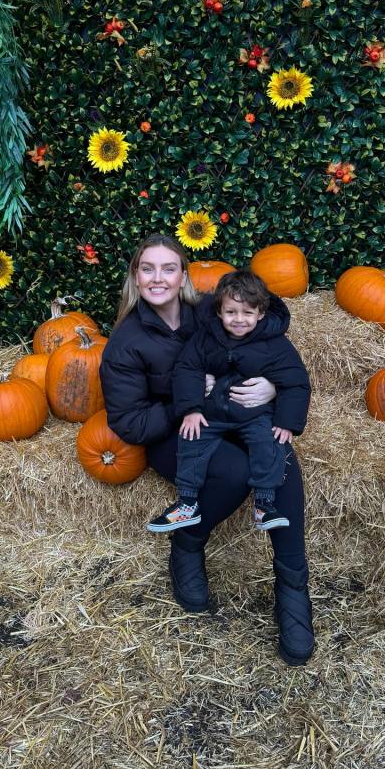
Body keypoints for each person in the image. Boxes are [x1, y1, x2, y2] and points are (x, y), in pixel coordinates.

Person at [99, 234, 314, 666]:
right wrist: (189, 403)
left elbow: (265, 339)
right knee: (234, 474)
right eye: (147, 268)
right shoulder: (125, 343)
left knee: (280, 457)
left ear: (184, 276)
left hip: (235, 417)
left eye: (168, 268)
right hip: (177, 434)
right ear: (136, 277)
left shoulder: (212, 312)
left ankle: (292, 588)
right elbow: (128, 422)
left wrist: (272, 385)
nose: (158, 278)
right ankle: (188, 540)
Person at [146, 269, 311, 535]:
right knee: (191, 438)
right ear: (220, 312)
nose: (239, 319)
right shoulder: (206, 338)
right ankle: (187, 502)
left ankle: (264, 503)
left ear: (260, 314)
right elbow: (187, 369)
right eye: (231, 312)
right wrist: (191, 409)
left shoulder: (275, 344)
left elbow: (296, 381)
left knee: (269, 443)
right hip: (213, 411)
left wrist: (287, 422)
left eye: (247, 313)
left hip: (253, 413)